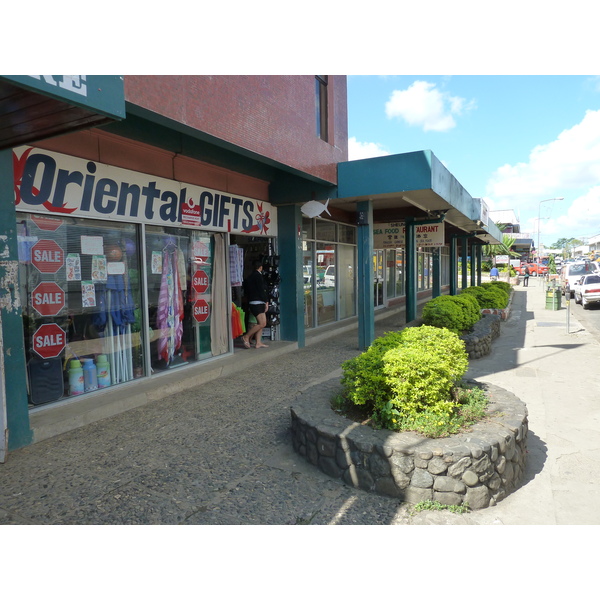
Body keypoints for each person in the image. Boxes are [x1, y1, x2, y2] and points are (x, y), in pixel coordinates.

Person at [242, 260, 269, 349]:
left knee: (261, 323)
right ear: (260, 267)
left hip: (253, 302)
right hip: (258, 302)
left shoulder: (249, 277)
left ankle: (258, 342)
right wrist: (266, 301)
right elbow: (261, 290)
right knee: (262, 323)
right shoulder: (258, 276)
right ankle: (246, 336)